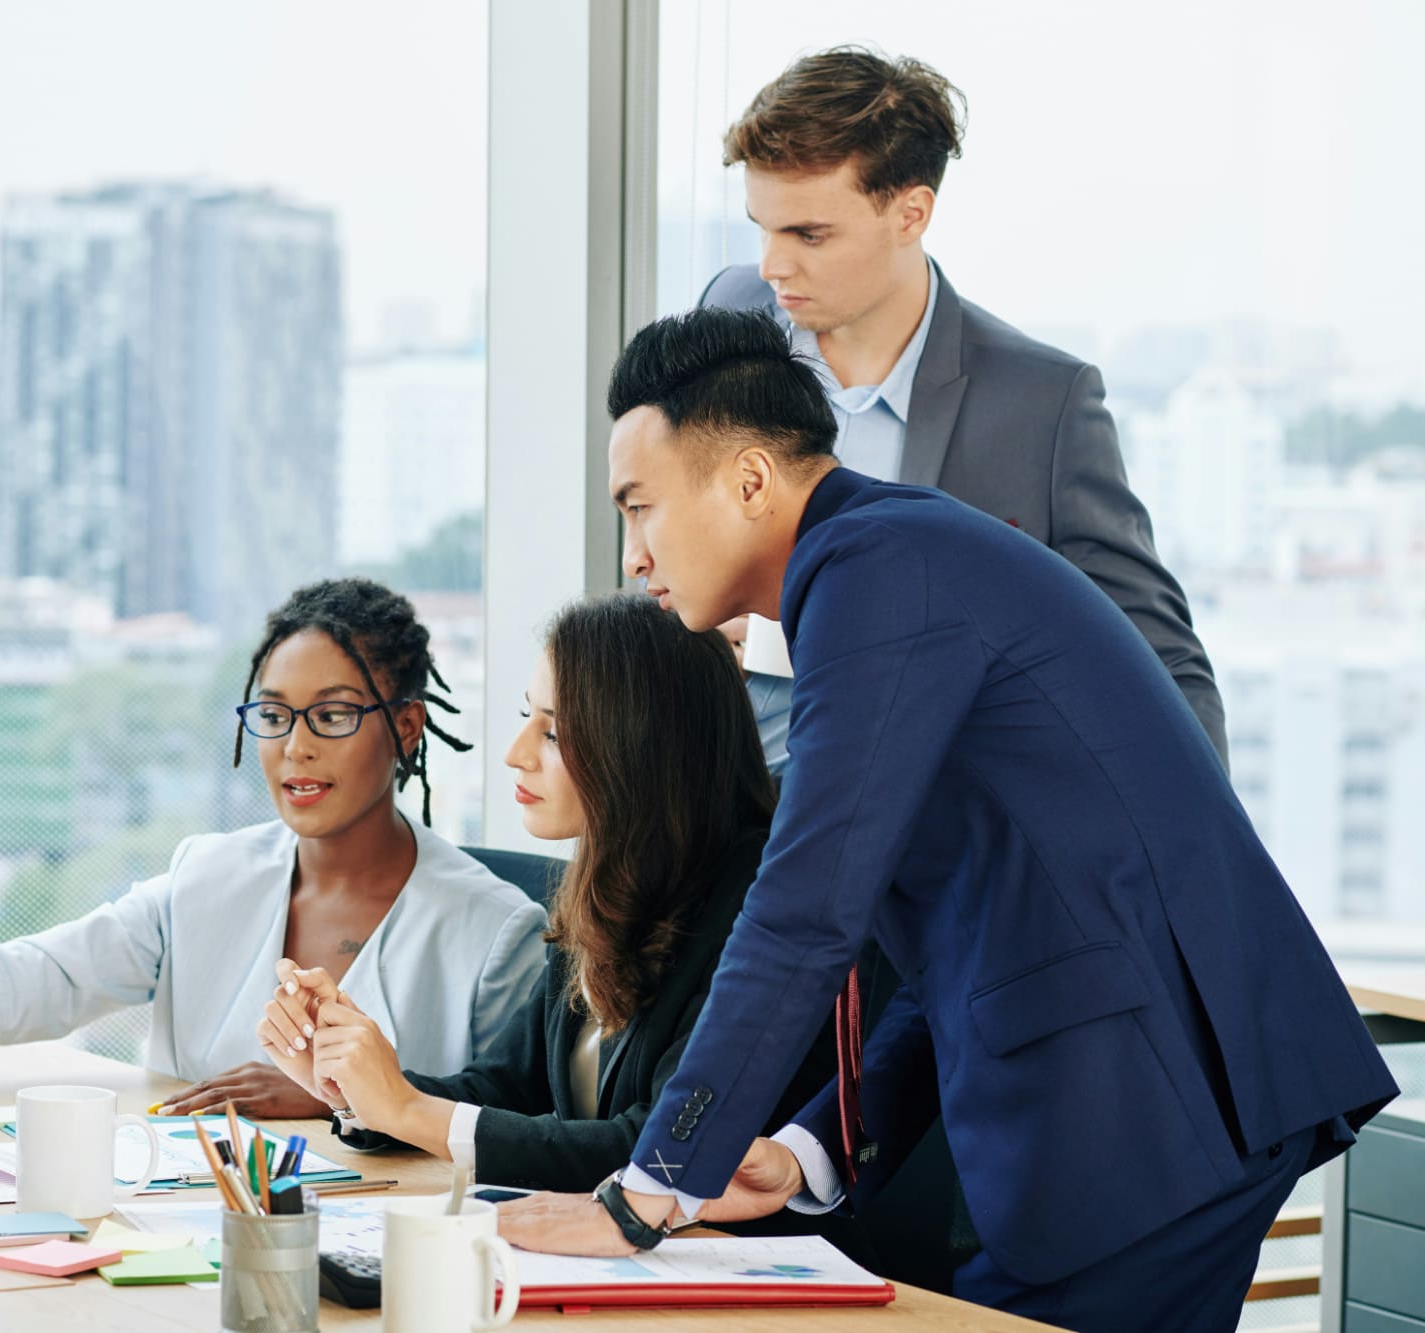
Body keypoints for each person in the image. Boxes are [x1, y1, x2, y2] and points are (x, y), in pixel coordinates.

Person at [496, 308, 1396, 1333]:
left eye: (639, 507)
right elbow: (957, 943)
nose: (633, 556)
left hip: (1144, 1102)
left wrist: (650, 1188)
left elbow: (801, 910)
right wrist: (801, 1150)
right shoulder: (888, 564)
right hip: (1123, 1097)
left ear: (747, 482)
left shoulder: (872, 573)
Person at [0, 578, 548, 1118]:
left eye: (330, 715)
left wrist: (347, 1102)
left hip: (380, 1265)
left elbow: (516, 1125)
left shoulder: (494, 930)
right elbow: (32, 982)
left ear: (404, 727)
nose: (295, 747)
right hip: (177, 1235)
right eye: (274, 716)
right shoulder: (207, 878)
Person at [700, 47, 1226, 777]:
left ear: (910, 212)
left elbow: (1157, 659)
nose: (772, 265)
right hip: (708, 812)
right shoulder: (729, 315)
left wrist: (1186, 853)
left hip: (926, 841)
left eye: (808, 235)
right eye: (762, 226)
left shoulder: (1043, 404)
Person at [255, 593, 841, 1195]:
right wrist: (355, 1089)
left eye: (555, 732)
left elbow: (648, 1145)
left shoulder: (756, 907)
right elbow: (501, 1089)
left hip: (746, 1268)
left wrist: (406, 1108)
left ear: (644, 745)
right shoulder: (606, 888)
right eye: (526, 717)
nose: (516, 754)